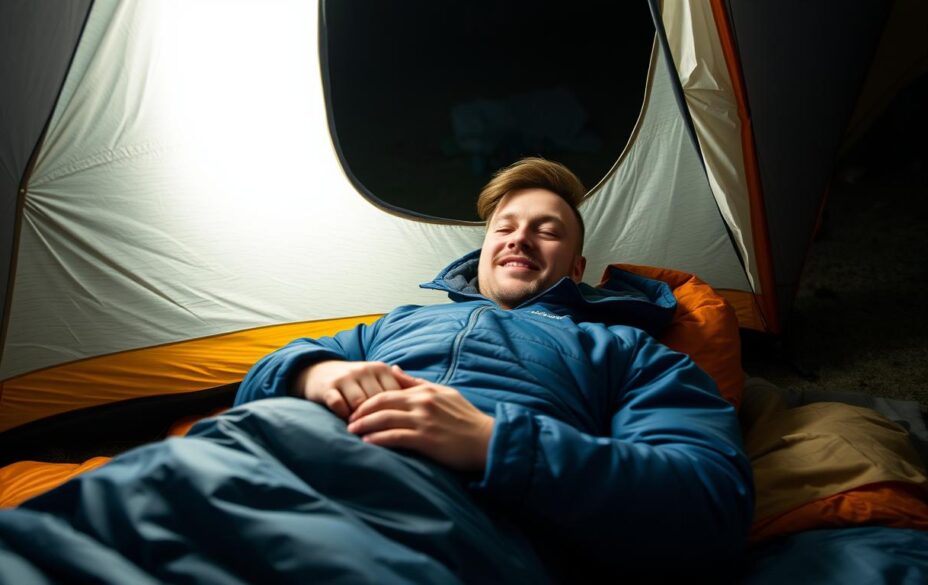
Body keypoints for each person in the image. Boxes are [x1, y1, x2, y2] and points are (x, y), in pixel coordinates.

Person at [234, 157, 754, 578]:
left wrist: (495, 443)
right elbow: (258, 382)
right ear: (483, 253)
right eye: (504, 227)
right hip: (277, 462)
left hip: (447, 523)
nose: (519, 239)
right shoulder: (398, 322)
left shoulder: (628, 351)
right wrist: (314, 374)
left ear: (577, 269)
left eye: (546, 231)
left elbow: (709, 501)